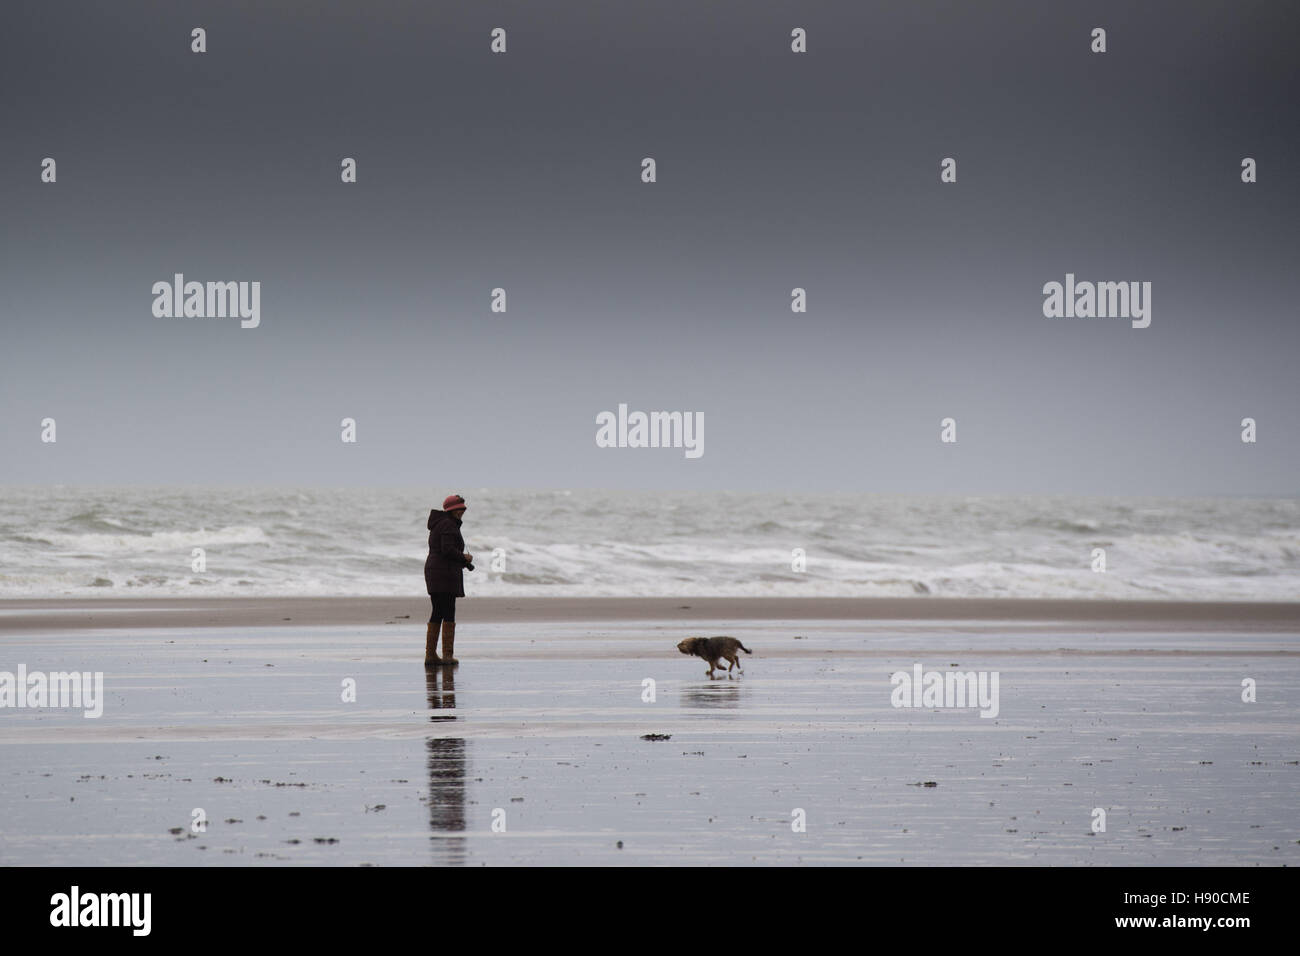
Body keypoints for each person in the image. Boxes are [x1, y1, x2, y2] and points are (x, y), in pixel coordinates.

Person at [424, 494, 473, 667]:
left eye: (463, 509)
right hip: (443, 573)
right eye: (459, 509)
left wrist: (461, 560)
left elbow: (444, 550)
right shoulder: (448, 525)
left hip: (436, 571)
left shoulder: (440, 523)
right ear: (451, 510)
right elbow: (447, 550)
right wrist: (464, 557)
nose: (462, 512)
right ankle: (447, 656)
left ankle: (431, 656)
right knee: (448, 612)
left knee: (437, 611)